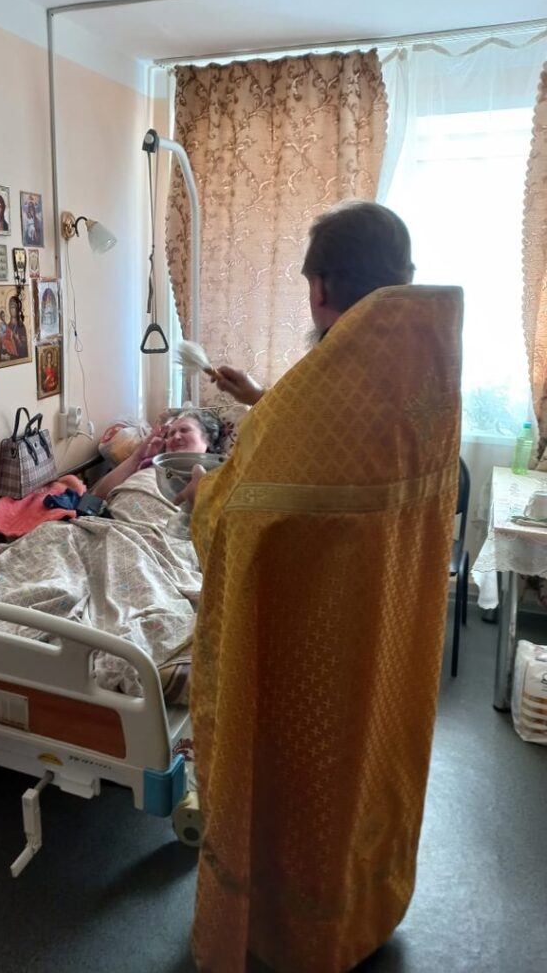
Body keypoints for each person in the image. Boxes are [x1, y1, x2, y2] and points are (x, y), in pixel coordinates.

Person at [179, 200, 462, 973]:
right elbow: (340, 437)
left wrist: (201, 494)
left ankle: (290, 932)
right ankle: (367, 907)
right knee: (373, 768)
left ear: (320, 288)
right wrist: (258, 397)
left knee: (307, 787)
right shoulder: (426, 363)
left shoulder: (323, 389)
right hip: (394, 624)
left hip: (318, 639)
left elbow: (237, 517)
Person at [93, 410, 220, 501]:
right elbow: (98, 494)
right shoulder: (149, 464)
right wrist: (138, 456)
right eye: (171, 434)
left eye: (184, 430)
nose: (176, 437)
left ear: (208, 439)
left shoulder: (216, 474)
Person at [0, 295, 28, 360]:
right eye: (12, 306)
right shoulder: (6, 327)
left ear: (18, 308)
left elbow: (25, 351)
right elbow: (1, 349)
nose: (14, 309)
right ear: (8, 309)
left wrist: (18, 339)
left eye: (15, 306)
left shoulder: (21, 327)